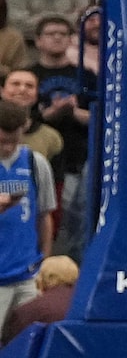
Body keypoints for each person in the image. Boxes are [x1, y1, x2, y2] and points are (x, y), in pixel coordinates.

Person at [0, 97, 53, 316]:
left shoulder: (35, 163)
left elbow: (44, 215)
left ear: (25, 128)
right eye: (1, 141)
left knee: (27, 343)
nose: (8, 147)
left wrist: (46, 262)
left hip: (27, 275)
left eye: (13, 140)